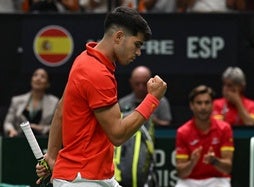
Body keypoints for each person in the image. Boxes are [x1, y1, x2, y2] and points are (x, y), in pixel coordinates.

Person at [36, 6, 167, 187]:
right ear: (119, 37)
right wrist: (152, 99)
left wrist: (51, 156)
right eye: (137, 45)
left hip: (96, 176)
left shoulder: (84, 59)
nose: (138, 53)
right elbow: (118, 135)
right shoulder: (97, 74)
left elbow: (61, 109)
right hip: (82, 180)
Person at [175, 85, 234, 187]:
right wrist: (192, 162)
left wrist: (214, 161)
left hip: (218, 180)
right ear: (191, 105)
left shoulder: (224, 129)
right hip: (189, 181)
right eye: (199, 103)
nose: (203, 107)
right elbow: (181, 173)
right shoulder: (183, 132)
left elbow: (227, 168)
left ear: (212, 105)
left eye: (207, 103)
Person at [3, 68, 59, 137]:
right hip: (19, 139)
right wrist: (11, 131)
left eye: (43, 76)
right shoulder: (17, 100)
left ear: (47, 84)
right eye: (35, 75)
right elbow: (8, 122)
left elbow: (57, 126)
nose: (38, 78)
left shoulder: (54, 102)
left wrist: (41, 128)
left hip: (42, 141)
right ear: (31, 80)